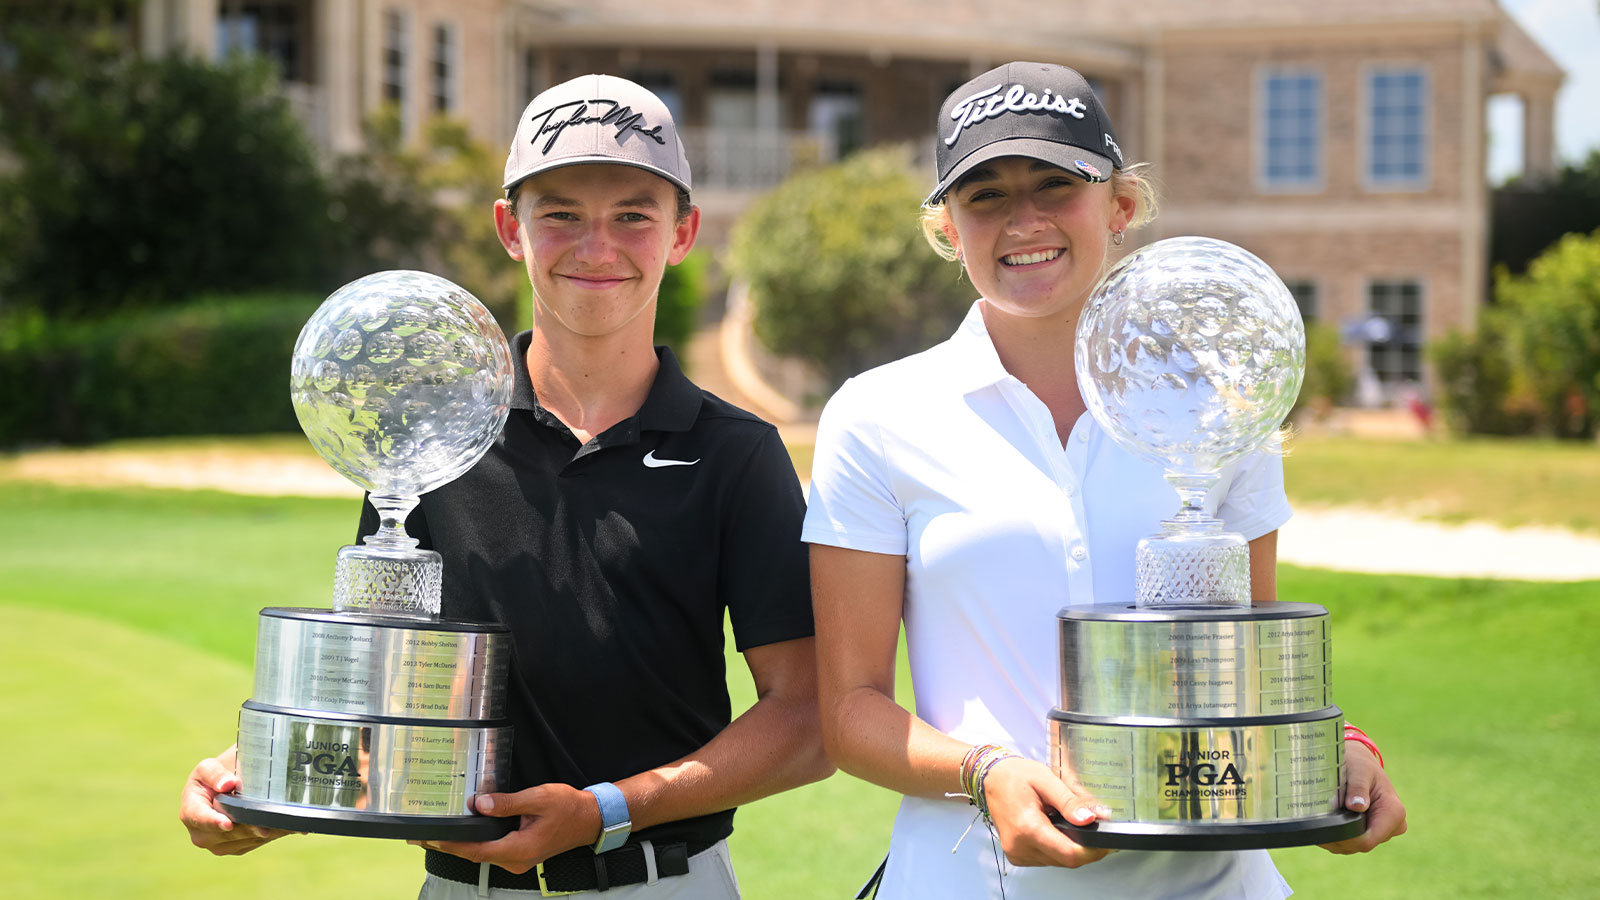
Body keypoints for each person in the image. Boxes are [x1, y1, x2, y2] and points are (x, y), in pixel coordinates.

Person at [179, 73, 831, 898]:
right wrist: (253, 781)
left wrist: (604, 811)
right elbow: (374, 684)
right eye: (560, 214)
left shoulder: (737, 454)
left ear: (683, 231)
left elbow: (805, 720)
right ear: (510, 229)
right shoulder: (430, 440)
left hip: (663, 880)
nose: (597, 246)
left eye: (633, 214)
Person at [804, 61, 1407, 899]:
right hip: (972, 881)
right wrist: (988, 772)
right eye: (985, 195)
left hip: (1211, 883)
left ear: (1119, 205)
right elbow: (850, 715)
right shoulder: (877, 415)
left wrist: (1339, 749)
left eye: (1057, 184)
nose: (1025, 220)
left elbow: (1252, 671)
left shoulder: (1220, 403)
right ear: (946, 225)